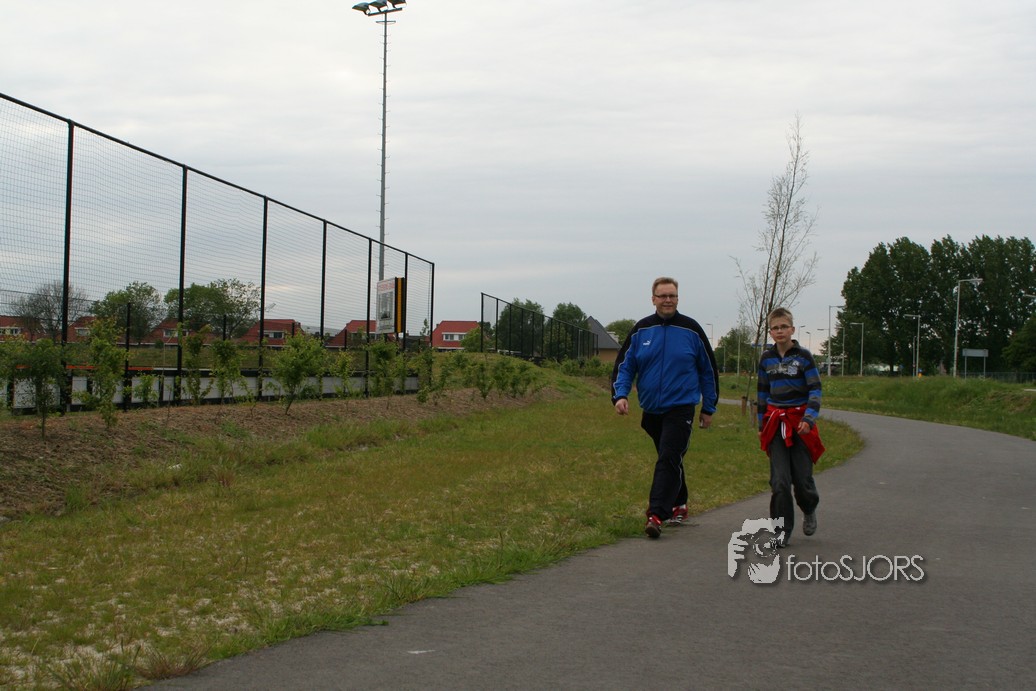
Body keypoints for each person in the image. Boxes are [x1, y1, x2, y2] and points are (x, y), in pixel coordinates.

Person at [611, 277, 719, 539]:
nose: (668, 300)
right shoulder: (641, 330)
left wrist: (709, 407)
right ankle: (680, 503)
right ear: (653, 299)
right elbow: (625, 366)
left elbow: (708, 370)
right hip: (651, 410)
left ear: (678, 298)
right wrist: (620, 395)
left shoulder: (691, 330)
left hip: (681, 407)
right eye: (662, 296)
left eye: (672, 295)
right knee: (670, 457)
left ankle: (657, 514)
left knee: (668, 457)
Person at [757, 307, 824, 548]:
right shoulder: (766, 358)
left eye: (784, 327)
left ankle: (809, 507)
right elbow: (762, 392)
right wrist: (761, 425)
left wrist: (809, 418)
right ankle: (781, 530)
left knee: (802, 480)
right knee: (780, 481)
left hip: (799, 423)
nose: (780, 331)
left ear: (792, 329)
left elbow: (815, 389)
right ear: (770, 332)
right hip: (775, 423)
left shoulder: (804, 357)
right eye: (775, 328)